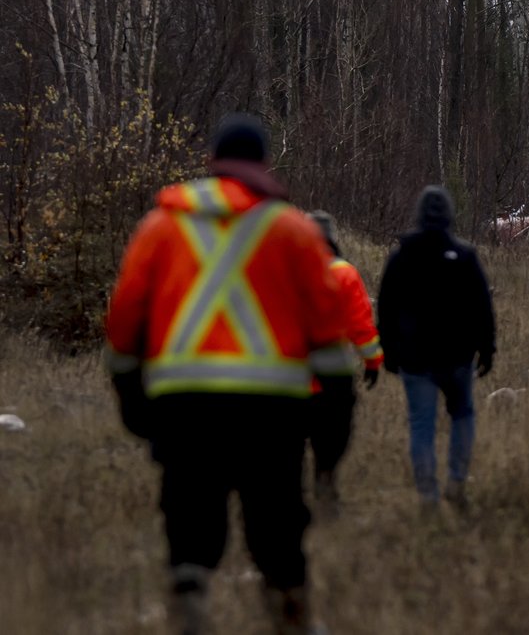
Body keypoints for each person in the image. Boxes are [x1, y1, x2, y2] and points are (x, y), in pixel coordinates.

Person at [104, 113, 356, 635]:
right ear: (264, 164)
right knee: (276, 522)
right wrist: (331, 432)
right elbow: (330, 339)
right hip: (272, 410)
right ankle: (289, 606)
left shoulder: (161, 226)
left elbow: (125, 319)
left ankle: (188, 591)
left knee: (189, 510)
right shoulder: (293, 231)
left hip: (184, 404)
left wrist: (132, 399)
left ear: (212, 162)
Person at [376, 186, 496, 510]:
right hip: (457, 358)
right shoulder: (465, 256)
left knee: (421, 425)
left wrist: (388, 351)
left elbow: (386, 309)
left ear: (418, 215)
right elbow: (482, 308)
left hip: (415, 360)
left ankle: (428, 495)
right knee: (462, 415)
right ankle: (456, 482)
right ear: (450, 216)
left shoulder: (401, 257)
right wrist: (487, 349)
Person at [306, 210, 385, 515]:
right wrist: (373, 362)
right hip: (334, 374)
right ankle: (325, 479)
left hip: (288, 374)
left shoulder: (285, 270)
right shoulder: (344, 273)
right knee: (333, 436)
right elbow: (360, 326)